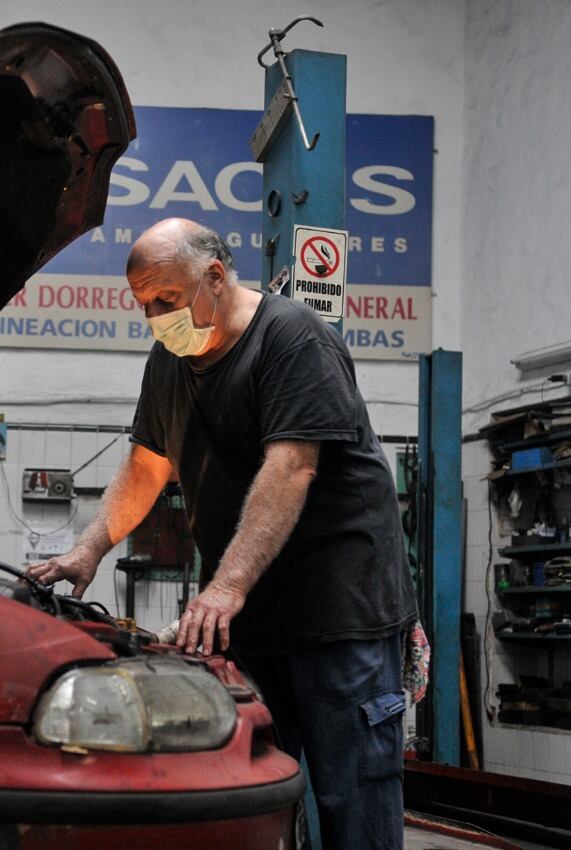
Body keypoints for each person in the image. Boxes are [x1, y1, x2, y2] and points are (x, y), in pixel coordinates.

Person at [26, 218, 417, 850]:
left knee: (352, 797)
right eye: (145, 306)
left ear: (215, 276)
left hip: (340, 611)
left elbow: (293, 466)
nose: (155, 318)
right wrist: (89, 547)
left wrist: (224, 587)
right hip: (258, 619)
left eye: (166, 300)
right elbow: (146, 466)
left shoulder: (291, 339)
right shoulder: (170, 361)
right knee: (269, 794)